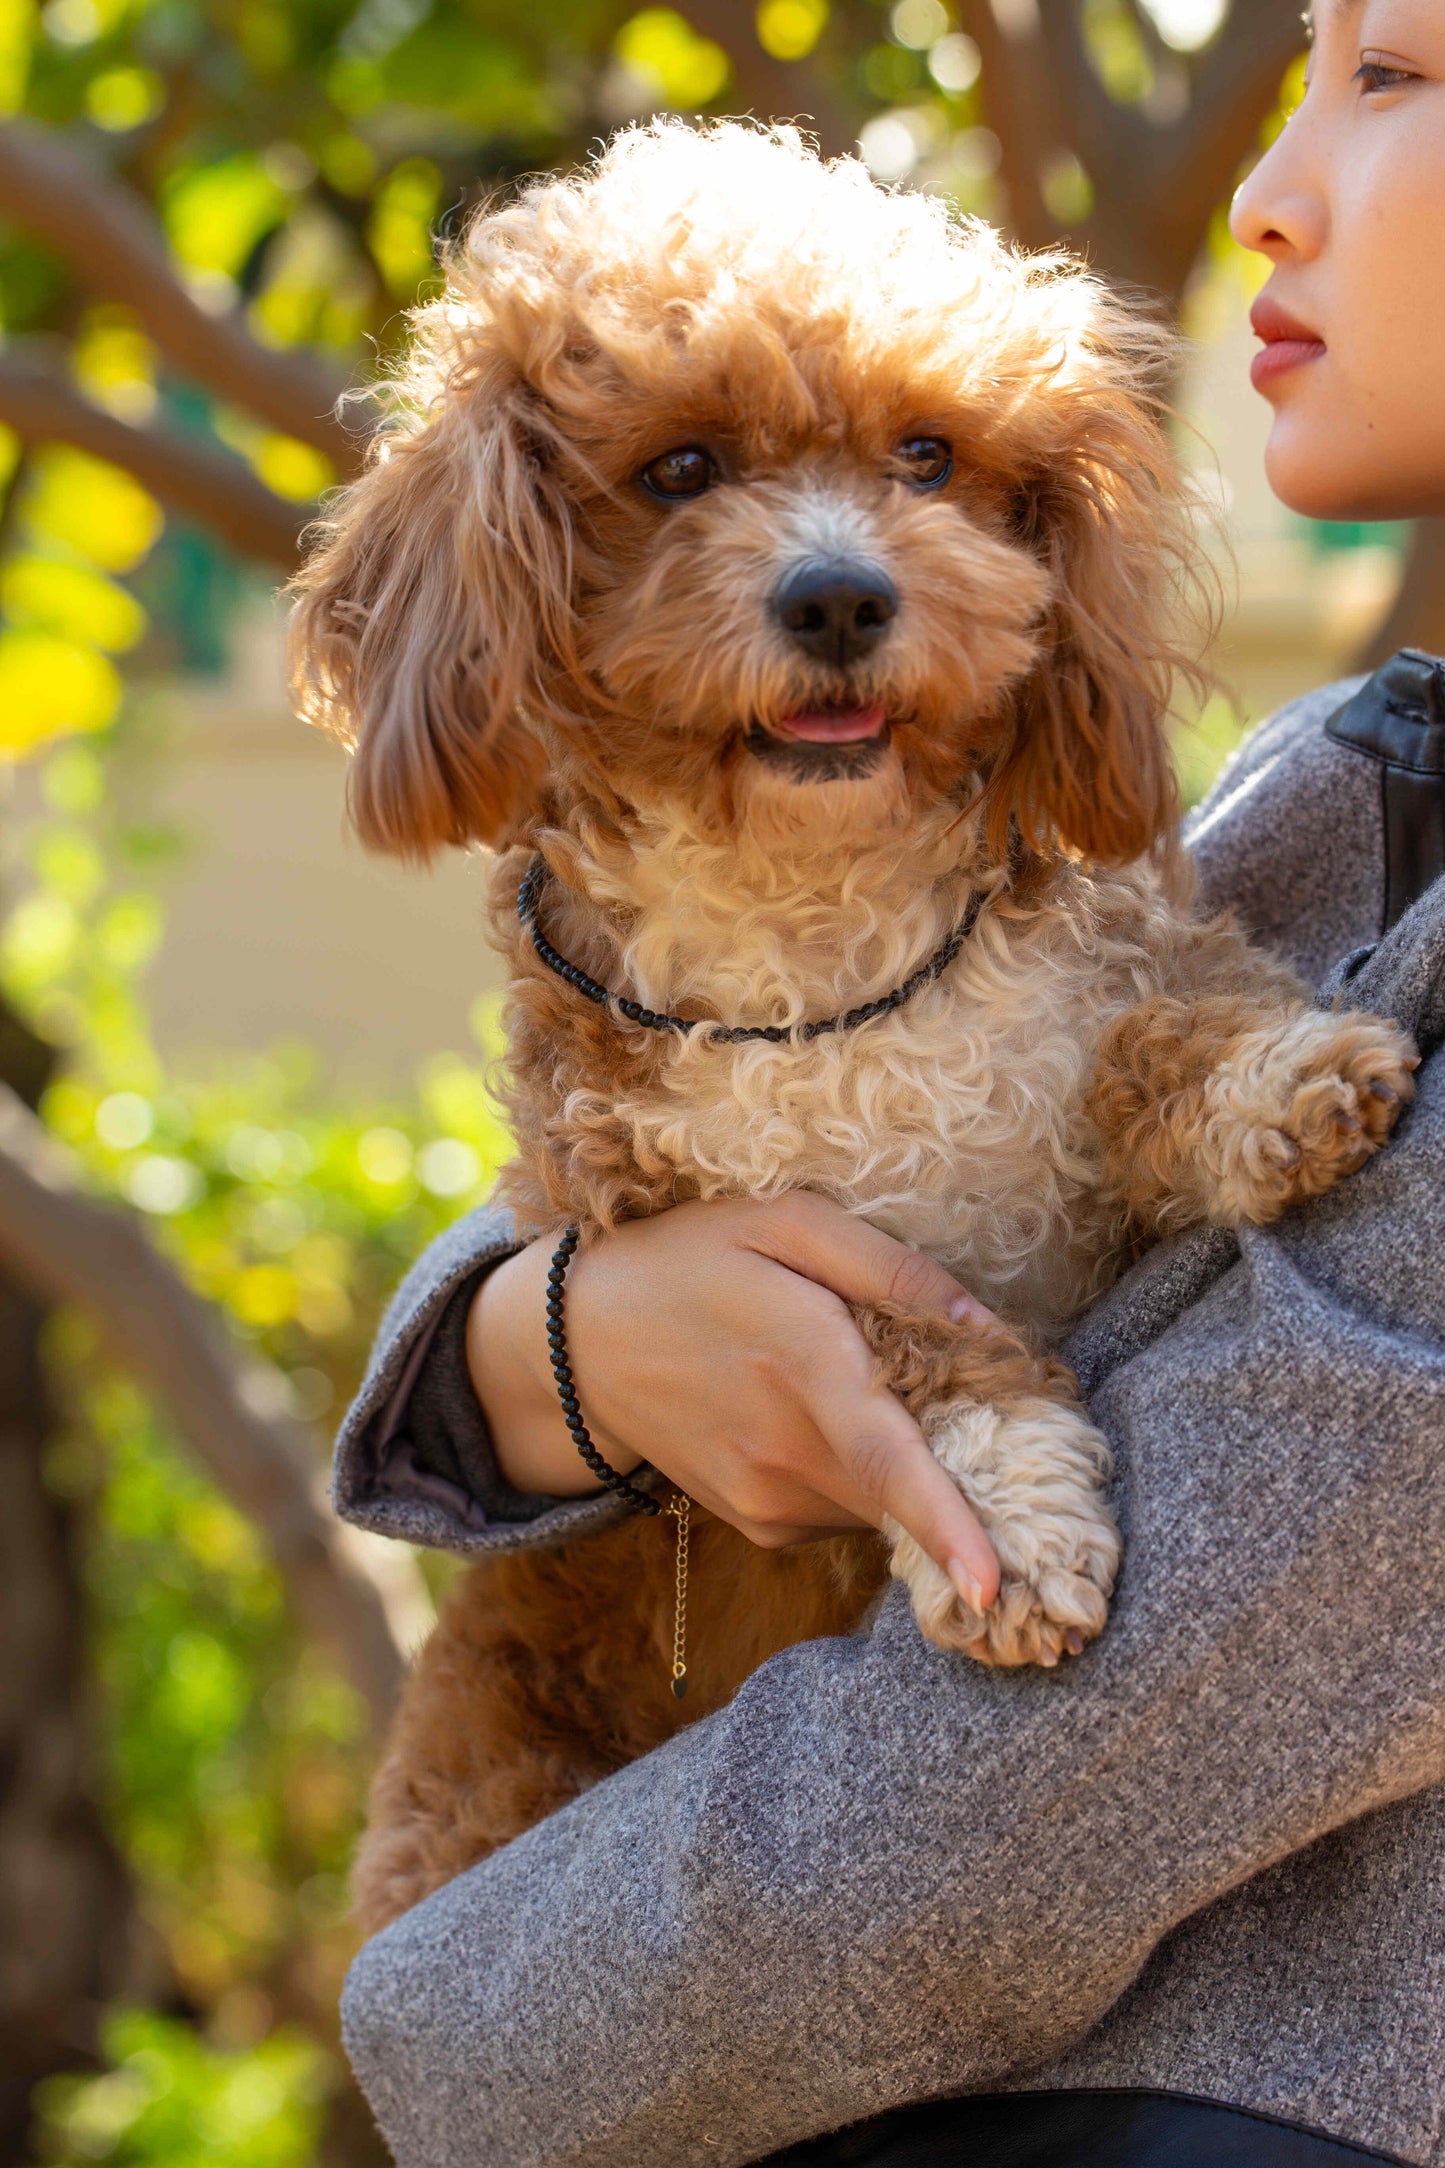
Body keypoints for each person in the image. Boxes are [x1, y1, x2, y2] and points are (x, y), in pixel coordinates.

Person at [332, 5, 1445, 2161]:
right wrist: (546, 1334)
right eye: (1290, 69)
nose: (1267, 187)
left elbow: (1059, 1774)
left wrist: (425, 2027)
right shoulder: (1329, 791)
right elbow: (762, 1132)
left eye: (1394, 76)